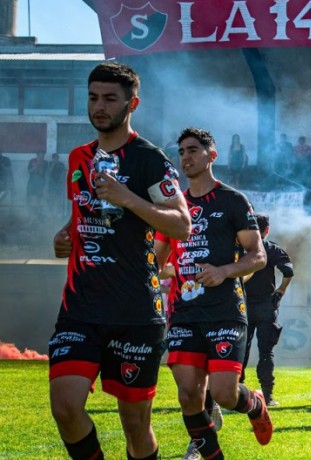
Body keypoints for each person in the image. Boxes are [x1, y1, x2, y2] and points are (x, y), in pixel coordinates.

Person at [49, 62, 192, 460]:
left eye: (110, 99)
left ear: (132, 103)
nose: (100, 106)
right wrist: (66, 234)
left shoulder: (150, 161)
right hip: (80, 306)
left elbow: (182, 226)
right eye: (94, 97)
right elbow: (82, 212)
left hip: (135, 311)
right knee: (65, 406)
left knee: (135, 425)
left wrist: (128, 198)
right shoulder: (79, 157)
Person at [154, 127, 271, 460]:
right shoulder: (172, 207)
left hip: (224, 310)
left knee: (223, 393)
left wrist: (223, 271)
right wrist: (163, 270)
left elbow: (258, 256)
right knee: (189, 397)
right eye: (182, 152)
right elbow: (158, 261)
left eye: (193, 150)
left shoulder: (232, 200)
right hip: (183, 313)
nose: (186, 157)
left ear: (211, 155)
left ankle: (254, 403)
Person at [241, 213, 294, 407]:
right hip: (265, 305)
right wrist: (280, 291)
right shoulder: (271, 248)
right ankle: (268, 396)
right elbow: (288, 271)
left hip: (242, 305)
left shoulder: (240, 247)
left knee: (240, 351)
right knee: (266, 352)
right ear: (267, 230)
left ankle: (236, 393)